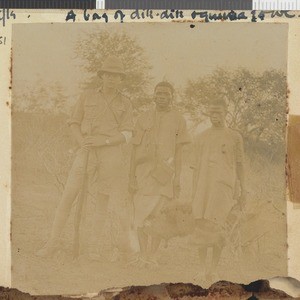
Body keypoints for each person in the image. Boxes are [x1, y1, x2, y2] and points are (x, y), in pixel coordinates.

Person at [36, 55, 134, 259]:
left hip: (110, 153)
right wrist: (82, 142)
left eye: (116, 76)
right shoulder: (87, 96)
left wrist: (105, 142)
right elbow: (73, 122)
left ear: (121, 79)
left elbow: (127, 133)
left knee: (102, 201)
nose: (112, 79)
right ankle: (52, 243)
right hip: (86, 150)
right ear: (102, 76)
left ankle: (93, 248)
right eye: (108, 74)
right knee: (68, 196)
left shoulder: (126, 102)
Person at [128, 81, 191, 265]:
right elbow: (134, 148)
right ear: (153, 95)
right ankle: (142, 255)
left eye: (166, 94)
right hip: (144, 174)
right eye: (159, 93)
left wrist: (177, 177)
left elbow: (179, 151)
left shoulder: (179, 119)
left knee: (158, 216)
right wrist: (131, 176)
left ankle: (152, 256)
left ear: (172, 97)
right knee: (140, 215)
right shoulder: (143, 117)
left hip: (165, 176)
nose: (162, 97)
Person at [191, 98, 246, 281]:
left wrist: (242, 190)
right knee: (201, 227)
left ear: (225, 113)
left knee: (217, 227)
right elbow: (196, 168)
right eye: (212, 112)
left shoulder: (234, 137)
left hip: (224, 187)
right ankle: (201, 268)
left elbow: (240, 165)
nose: (215, 116)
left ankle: (213, 269)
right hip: (202, 188)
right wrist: (193, 192)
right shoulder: (201, 137)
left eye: (219, 113)